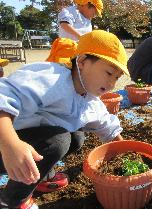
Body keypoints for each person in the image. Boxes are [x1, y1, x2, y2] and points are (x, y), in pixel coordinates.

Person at [0, 30, 128, 208]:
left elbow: (107, 126)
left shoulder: (89, 98)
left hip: (26, 144)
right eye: (108, 73)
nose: (112, 84)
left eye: (116, 78)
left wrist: (127, 155)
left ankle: (42, 177)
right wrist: (10, 144)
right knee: (58, 141)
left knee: (76, 137)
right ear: (82, 61)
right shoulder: (53, 79)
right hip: (6, 145)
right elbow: (4, 96)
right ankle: (11, 200)